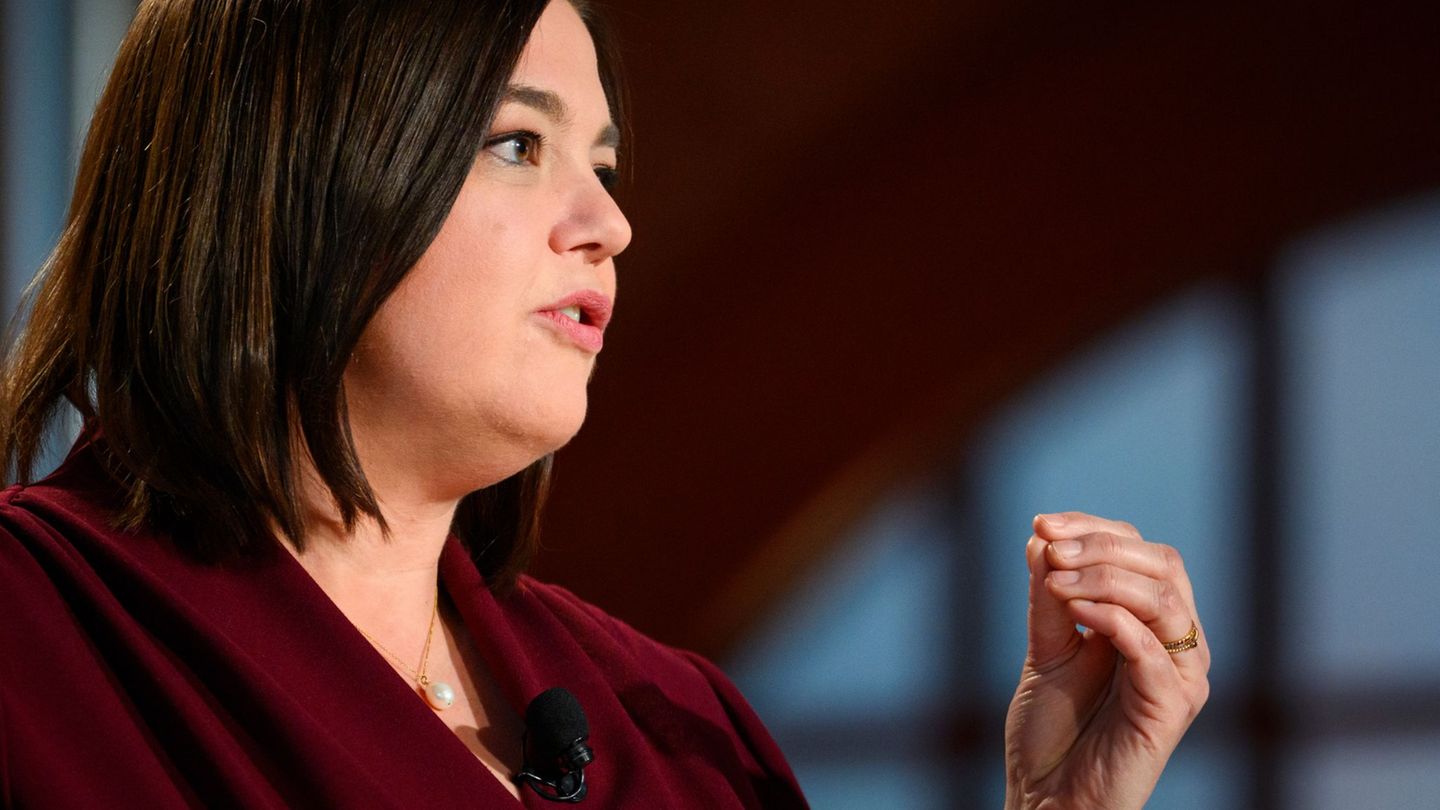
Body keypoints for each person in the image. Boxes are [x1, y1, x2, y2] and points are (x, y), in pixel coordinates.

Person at [0, 0, 1209, 807]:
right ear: (286, 173)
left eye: (608, 168)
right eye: (519, 145)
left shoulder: (680, 730)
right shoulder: (37, 641)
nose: (611, 226)